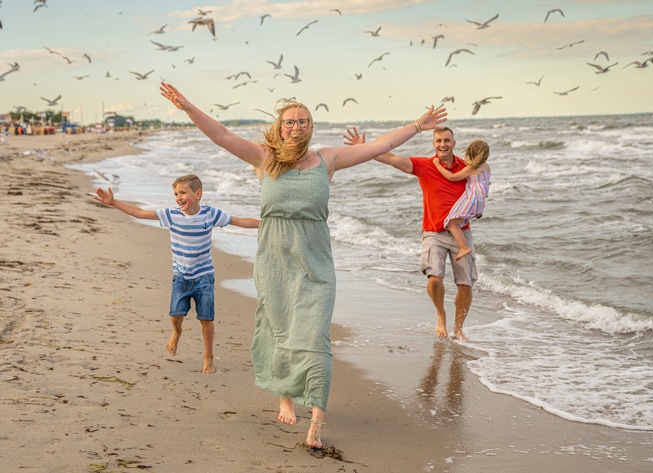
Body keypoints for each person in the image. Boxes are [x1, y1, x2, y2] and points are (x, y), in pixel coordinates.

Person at [159, 81, 447, 449]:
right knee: (280, 329)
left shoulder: (328, 159)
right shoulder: (264, 158)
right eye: (289, 122)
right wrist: (187, 106)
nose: (296, 127)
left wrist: (418, 126)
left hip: (315, 260)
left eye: (303, 121)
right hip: (275, 257)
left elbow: (381, 146)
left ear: (311, 127)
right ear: (279, 128)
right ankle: (285, 395)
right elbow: (221, 135)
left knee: (314, 334)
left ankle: (316, 421)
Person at [93, 174, 260, 374]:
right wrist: (113, 203)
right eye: (175, 194)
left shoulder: (211, 214)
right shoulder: (171, 215)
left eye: (182, 193)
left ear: (198, 194)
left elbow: (240, 221)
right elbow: (139, 213)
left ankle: (208, 356)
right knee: (176, 315)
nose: (178, 197)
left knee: (206, 319)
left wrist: (268, 222)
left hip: (204, 276)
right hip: (181, 276)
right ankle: (176, 332)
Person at [344, 126, 476, 341]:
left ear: (454, 142)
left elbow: (479, 191)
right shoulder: (425, 165)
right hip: (433, 231)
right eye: (438, 141)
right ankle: (440, 314)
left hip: (462, 232)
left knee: (465, 284)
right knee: (435, 279)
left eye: (447, 140)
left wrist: (477, 212)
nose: (443, 144)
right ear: (434, 144)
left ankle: (459, 327)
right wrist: (364, 147)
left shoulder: (466, 168)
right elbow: (392, 158)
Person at [433, 139, 491, 262]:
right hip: (480, 201)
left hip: (472, 199)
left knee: (452, 222)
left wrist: (437, 165)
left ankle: (464, 247)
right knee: (459, 219)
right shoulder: (486, 167)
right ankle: (462, 243)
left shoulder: (472, 168)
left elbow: (453, 177)